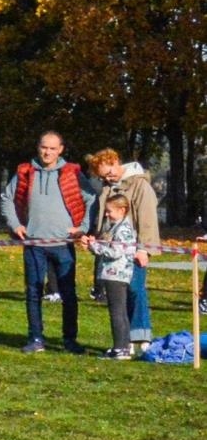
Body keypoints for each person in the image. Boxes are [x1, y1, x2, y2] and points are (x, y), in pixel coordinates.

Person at [0, 131, 92, 354]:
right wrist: (15, 225)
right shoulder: (25, 172)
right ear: (38, 147)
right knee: (33, 292)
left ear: (61, 149)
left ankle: (70, 339)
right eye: (44, 147)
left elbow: (92, 200)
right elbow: (6, 198)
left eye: (52, 148)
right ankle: (36, 338)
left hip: (63, 244)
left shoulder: (72, 173)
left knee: (68, 294)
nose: (47, 152)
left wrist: (83, 228)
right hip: (33, 244)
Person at [87, 149, 157, 350]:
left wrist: (144, 249)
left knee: (136, 290)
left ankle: (142, 335)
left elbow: (148, 219)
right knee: (120, 296)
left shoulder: (140, 185)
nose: (106, 178)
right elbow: (102, 217)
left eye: (108, 173)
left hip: (134, 250)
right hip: (112, 250)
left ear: (115, 161)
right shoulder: (107, 187)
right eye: (102, 177)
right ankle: (125, 340)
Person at [81, 192, 138, 360]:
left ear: (122, 210)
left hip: (116, 275)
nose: (106, 214)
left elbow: (115, 252)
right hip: (112, 274)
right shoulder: (115, 226)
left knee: (117, 311)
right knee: (119, 310)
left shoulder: (124, 229)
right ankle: (123, 347)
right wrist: (95, 245)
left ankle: (120, 348)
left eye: (109, 211)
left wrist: (95, 246)